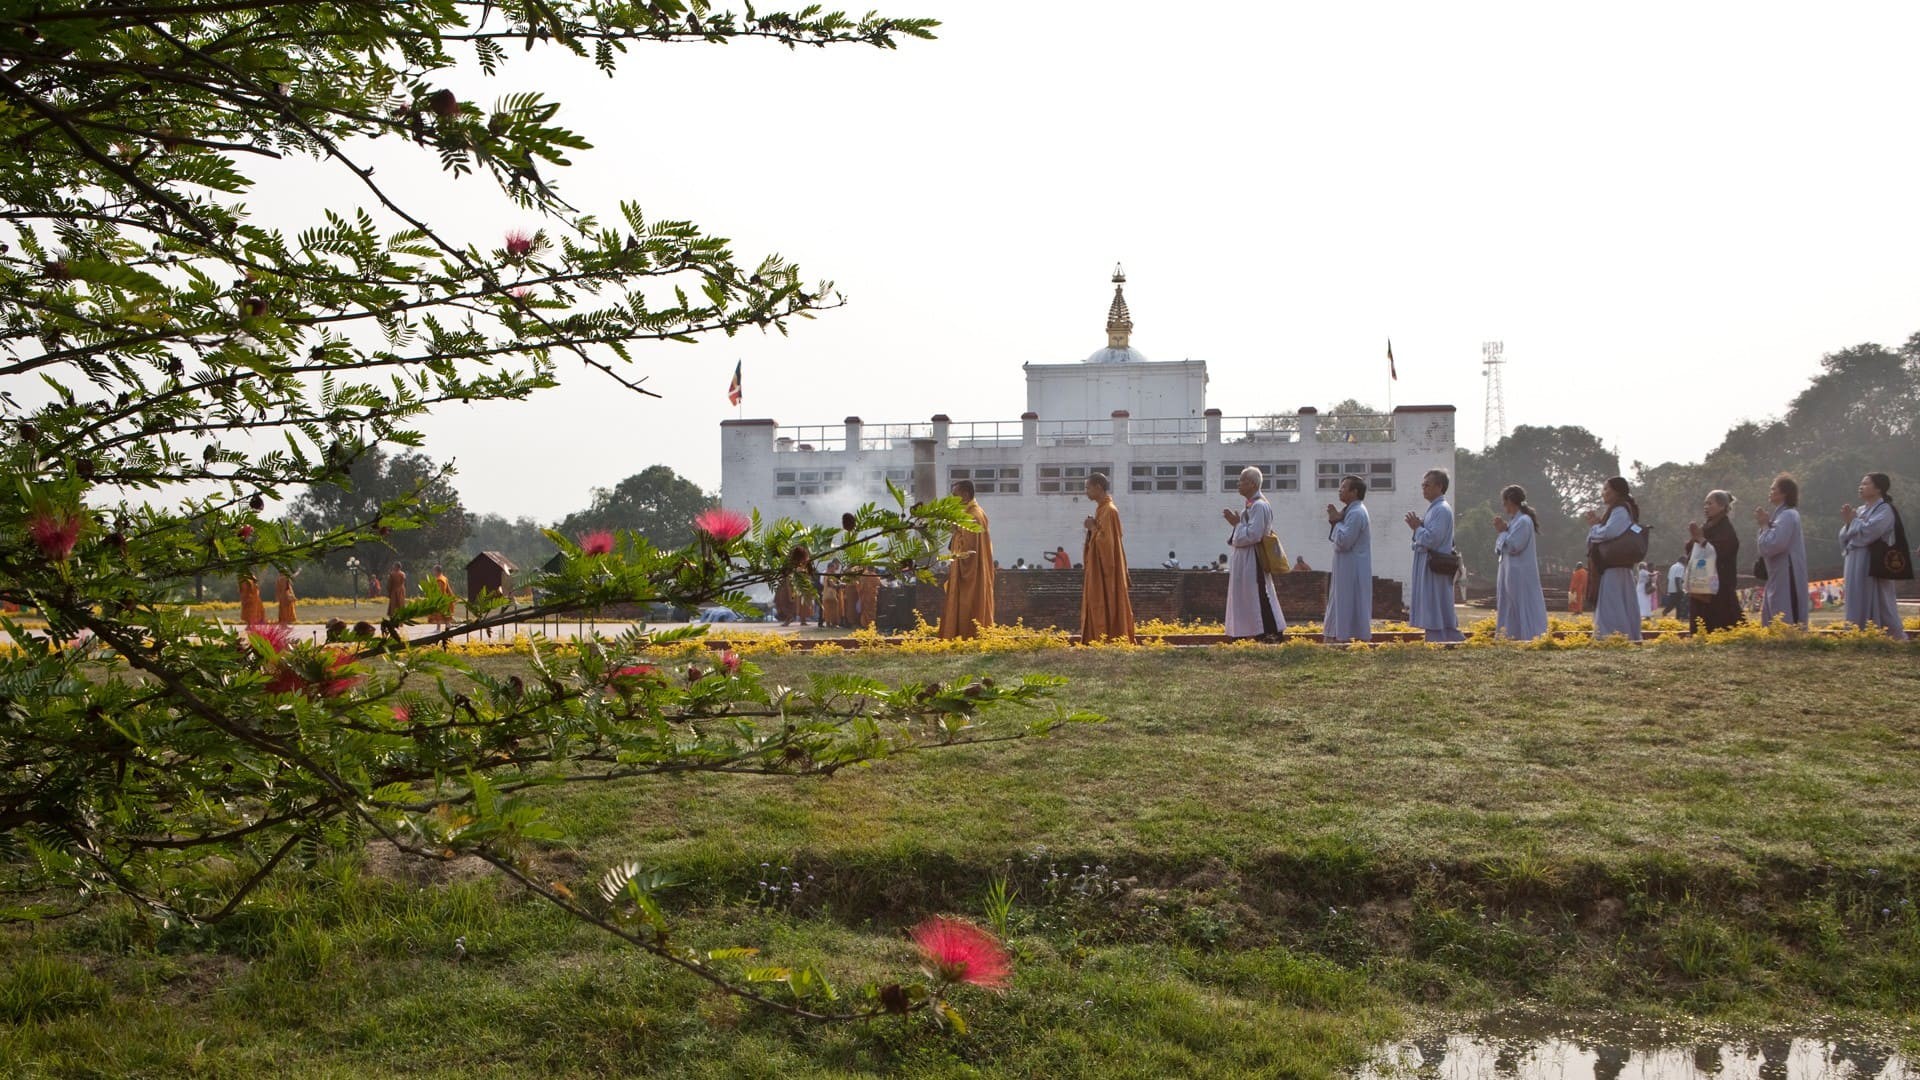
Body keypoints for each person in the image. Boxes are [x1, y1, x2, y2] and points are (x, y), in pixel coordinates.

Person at [1838, 472, 1909, 638]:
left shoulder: (1885, 510)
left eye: (1866, 484)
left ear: (1878, 489)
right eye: (1861, 484)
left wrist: (1852, 523)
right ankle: (1858, 633)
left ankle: (1890, 635)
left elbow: (1871, 532)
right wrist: (1849, 524)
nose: (1861, 487)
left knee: (1880, 600)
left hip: (1872, 561)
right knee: (1856, 596)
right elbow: (1844, 535)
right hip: (1854, 559)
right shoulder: (1861, 510)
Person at [1222, 466, 1286, 642]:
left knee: (1259, 594)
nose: (1238, 484)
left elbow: (1254, 535)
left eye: (1241, 480)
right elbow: (1241, 534)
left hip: (1254, 558)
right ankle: (1249, 633)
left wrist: (1236, 525)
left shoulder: (1260, 506)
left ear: (1251, 484)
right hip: (1244, 558)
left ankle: (1271, 633)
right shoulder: (1248, 508)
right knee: (1246, 597)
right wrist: (1236, 525)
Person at [1403, 468, 1463, 642]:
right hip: (1429, 564)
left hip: (1435, 566)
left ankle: (1443, 637)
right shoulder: (1434, 509)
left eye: (1427, 485)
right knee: (1434, 602)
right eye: (1423, 485)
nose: (1423, 488)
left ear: (1439, 486)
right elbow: (1426, 537)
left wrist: (1417, 528)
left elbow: (1432, 540)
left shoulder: (1442, 510)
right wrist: (1419, 528)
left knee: (1436, 602)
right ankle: (1441, 636)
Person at [1583, 477, 1643, 641]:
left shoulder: (1620, 510)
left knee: (1613, 603)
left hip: (1615, 565)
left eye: (1606, 489)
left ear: (1616, 491)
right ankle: (1620, 635)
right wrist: (1597, 524)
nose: (1603, 493)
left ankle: (1613, 636)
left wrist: (1595, 528)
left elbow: (1610, 532)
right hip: (1614, 566)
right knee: (1619, 602)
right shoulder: (1617, 509)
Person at [1078, 473, 1134, 642]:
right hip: (1098, 569)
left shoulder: (1109, 511)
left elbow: (1107, 545)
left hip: (1106, 571)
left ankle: (1109, 638)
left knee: (1106, 602)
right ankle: (1097, 638)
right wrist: (1093, 528)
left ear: (1098, 487)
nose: (1086, 491)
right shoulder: (1101, 510)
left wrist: (1092, 528)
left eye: (1088, 488)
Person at [939, 479, 996, 639]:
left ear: (965, 495)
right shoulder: (976, 513)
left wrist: (955, 531)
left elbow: (967, 553)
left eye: (954, 495)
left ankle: (964, 636)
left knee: (967, 609)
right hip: (977, 574)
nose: (952, 500)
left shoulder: (972, 517)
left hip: (970, 578)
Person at [1492, 484, 1549, 641]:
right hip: (1508, 571)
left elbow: (1513, 546)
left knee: (1523, 604)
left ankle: (1530, 636)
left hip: (1520, 573)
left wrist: (1503, 532)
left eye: (1504, 502)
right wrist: (1503, 531)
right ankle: (1510, 636)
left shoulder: (1524, 521)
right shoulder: (1512, 522)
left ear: (1510, 501)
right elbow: (1498, 548)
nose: (1503, 506)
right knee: (1509, 606)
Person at [1755, 473, 1809, 629]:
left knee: (1785, 608)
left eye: (1773, 489)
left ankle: (1789, 638)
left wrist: (1764, 526)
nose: (1770, 491)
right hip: (1777, 572)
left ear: (1784, 493)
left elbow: (1773, 545)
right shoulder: (1780, 515)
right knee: (1775, 604)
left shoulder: (1788, 515)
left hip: (1787, 571)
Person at [1685, 489, 1744, 634]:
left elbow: (1721, 550)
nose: (1706, 507)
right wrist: (1695, 539)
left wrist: (1701, 540)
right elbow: (1692, 549)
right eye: (1705, 504)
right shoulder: (1707, 526)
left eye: (1710, 503)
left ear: (1722, 507)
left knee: (1723, 625)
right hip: (1701, 583)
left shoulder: (1726, 528)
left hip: (1719, 586)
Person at [1323, 473, 1373, 642]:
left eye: (1344, 487)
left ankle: (1346, 638)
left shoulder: (1357, 513)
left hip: (1352, 569)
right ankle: (1336, 635)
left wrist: (1336, 521)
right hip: (1345, 567)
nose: (1340, 490)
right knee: (1340, 601)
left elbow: (1344, 541)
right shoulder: (1349, 511)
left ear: (1355, 492)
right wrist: (1336, 520)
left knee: (1348, 602)